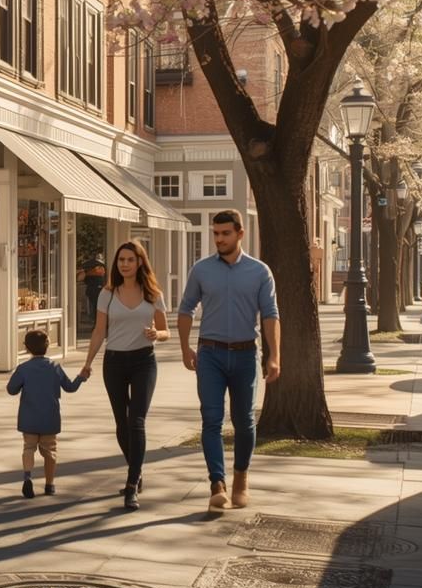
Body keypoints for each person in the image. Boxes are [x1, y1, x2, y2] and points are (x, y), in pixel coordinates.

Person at [177, 209, 281, 510]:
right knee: (211, 419)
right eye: (216, 234)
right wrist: (185, 348)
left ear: (240, 234)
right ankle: (217, 483)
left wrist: (275, 356)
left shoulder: (260, 272)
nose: (219, 239)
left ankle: (241, 478)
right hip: (209, 354)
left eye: (225, 233)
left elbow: (271, 315)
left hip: (246, 354)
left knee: (244, 422)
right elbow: (186, 309)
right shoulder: (201, 269)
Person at [79, 240, 170, 511]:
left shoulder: (153, 293)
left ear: (140, 262)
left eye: (130, 259)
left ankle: (131, 486)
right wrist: (88, 362)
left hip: (144, 361)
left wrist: (158, 334)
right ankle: (137, 470)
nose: (125, 264)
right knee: (121, 422)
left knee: (136, 420)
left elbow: (166, 331)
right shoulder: (107, 294)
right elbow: (99, 331)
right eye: (121, 260)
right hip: (114, 362)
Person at [7, 329, 85, 498]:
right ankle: (49, 484)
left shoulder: (23, 368)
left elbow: (11, 389)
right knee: (50, 451)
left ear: (27, 348)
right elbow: (69, 387)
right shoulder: (54, 367)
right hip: (49, 417)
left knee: (28, 448)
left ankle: (28, 477)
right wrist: (81, 377)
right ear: (48, 347)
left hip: (29, 418)